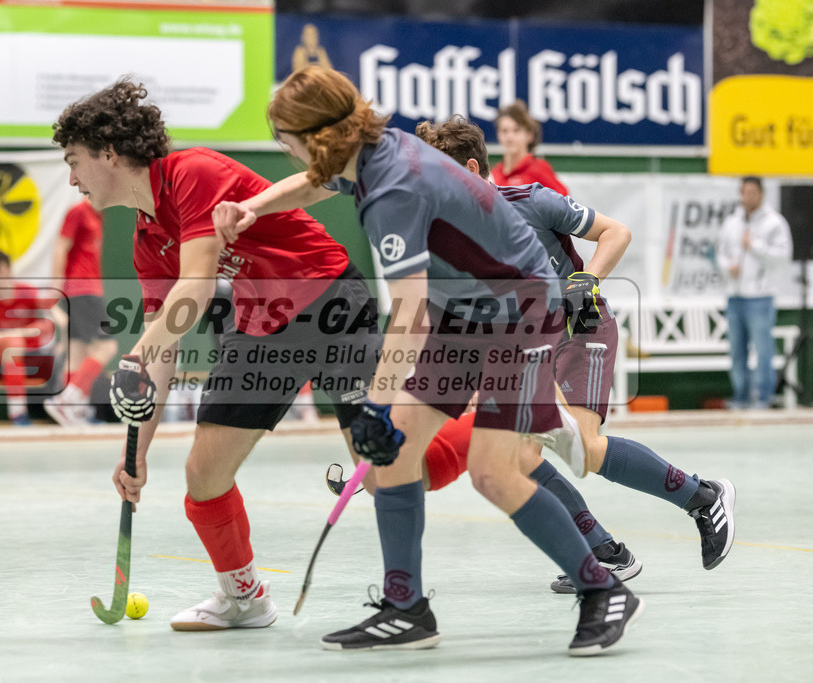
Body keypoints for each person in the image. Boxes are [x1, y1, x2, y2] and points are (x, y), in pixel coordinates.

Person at [213, 65, 642, 656]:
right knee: (396, 457)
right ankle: (406, 607)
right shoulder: (369, 151)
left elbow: (408, 311)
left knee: (493, 472)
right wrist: (252, 207)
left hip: (518, 315)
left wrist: (376, 400)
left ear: (315, 137)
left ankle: (603, 588)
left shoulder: (393, 189)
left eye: (285, 140)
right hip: (461, 313)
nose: (284, 152)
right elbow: (316, 184)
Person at [325, 116, 735, 590]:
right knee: (518, 455)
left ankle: (702, 497)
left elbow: (616, 232)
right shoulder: (445, 230)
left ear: (471, 168)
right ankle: (605, 553)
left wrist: (589, 279)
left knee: (585, 446)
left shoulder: (532, 201)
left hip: (581, 328)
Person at [52, 78, 382, 631]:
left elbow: (198, 287)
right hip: (261, 328)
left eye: (74, 160)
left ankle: (513, 432)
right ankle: (244, 597)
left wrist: (138, 349)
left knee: (382, 472)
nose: (72, 178)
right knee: (204, 473)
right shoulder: (145, 238)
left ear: (108, 153)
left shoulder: (192, 174)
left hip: (328, 302)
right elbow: (163, 349)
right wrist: (137, 453)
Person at [716, 176, 793, 410]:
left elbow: (782, 256)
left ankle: (764, 397)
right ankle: (740, 396)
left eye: (752, 193)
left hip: (760, 297)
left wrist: (755, 247)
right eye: (744, 192)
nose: (747, 197)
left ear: (761, 194)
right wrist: (728, 267)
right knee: (737, 351)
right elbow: (720, 252)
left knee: (763, 349)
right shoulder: (731, 222)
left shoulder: (774, 223)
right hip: (735, 295)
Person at [44, 200, 118, 426]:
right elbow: (60, 247)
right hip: (81, 290)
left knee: (77, 351)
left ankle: (72, 411)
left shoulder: (99, 214)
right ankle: (67, 400)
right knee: (107, 347)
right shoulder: (77, 211)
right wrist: (56, 287)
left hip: (88, 290)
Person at [0, 250, 61, 426]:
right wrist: (26, 331)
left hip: (38, 351)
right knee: (12, 346)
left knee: (67, 349)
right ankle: (17, 413)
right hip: (9, 352)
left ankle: (69, 409)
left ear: (8, 268)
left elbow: (58, 319)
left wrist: (53, 333)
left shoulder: (28, 291)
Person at [491, 100, 567, 195]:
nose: (509, 137)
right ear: (498, 135)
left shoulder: (539, 169)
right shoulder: (495, 173)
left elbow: (564, 201)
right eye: (504, 131)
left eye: (516, 130)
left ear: (529, 135)